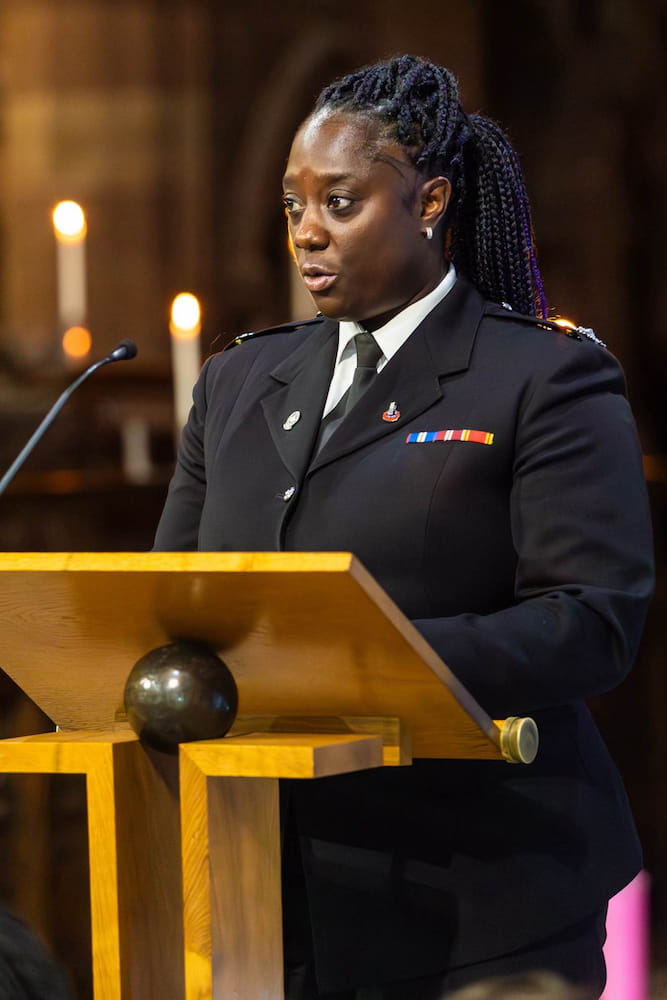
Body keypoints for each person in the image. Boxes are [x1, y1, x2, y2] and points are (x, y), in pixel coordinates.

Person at [154, 55, 654, 999]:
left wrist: (363, 657)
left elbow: (591, 620)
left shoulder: (541, 377)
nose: (308, 231)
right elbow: (167, 601)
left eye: (339, 203)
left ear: (428, 203)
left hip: (479, 882)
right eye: (294, 206)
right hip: (271, 890)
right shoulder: (235, 381)